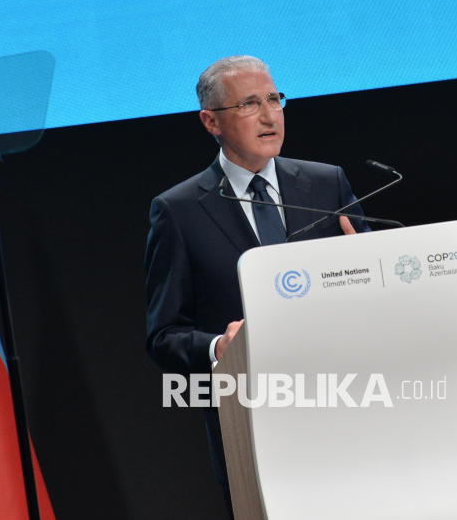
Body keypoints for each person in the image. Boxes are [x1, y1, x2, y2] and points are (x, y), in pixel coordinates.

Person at [144, 55, 369, 517]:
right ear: (211, 122)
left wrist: (372, 273)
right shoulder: (179, 210)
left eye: (274, 99)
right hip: (254, 430)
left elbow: (370, 292)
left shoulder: (327, 184)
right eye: (249, 104)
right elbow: (164, 335)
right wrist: (218, 349)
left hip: (348, 414)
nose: (269, 116)